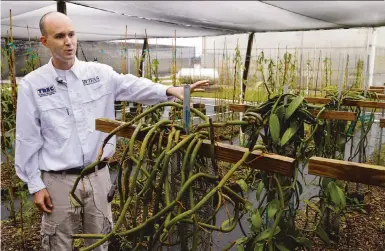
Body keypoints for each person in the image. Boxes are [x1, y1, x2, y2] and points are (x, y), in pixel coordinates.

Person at [14, 11, 208, 251]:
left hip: (98, 177)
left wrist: (169, 90)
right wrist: (35, 184)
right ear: (45, 41)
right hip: (58, 182)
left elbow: (132, 86)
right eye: (60, 36)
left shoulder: (98, 74)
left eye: (72, 34)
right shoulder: (33, 85)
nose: (69, 42)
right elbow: (27, 138)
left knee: (100, 241)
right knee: (58, 243)